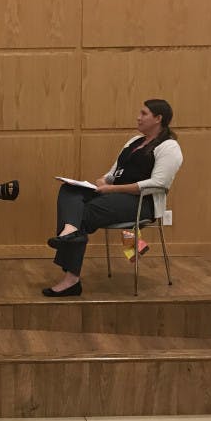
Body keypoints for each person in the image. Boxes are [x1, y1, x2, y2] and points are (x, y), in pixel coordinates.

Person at [43, 98, 183, 297]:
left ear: (158, 118)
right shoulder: (134, 141)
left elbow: (158, 184)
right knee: (69, 190)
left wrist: (112, 189)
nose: (138, 117)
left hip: (141, 203)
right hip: (114, 195)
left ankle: (71, 278)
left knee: (83, 212)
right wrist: (103, 180)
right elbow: (113, 172)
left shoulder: (169, 147)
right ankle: (70, 231)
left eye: (144, 114)